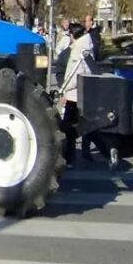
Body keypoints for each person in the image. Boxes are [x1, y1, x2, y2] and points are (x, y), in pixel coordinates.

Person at [59, 23, 94, 165]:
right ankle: (86, 153)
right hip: (86, 92)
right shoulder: (87, 47)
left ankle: (70, 158)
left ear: (73, 36)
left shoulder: (77, 51)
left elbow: (74, 74)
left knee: (69, 127)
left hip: (74, 95)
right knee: (85, 125)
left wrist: (63, 91)